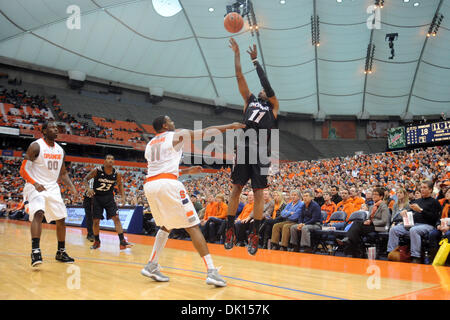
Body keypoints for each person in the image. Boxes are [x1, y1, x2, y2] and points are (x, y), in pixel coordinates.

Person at [141, 115, 244, 287]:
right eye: (170, 120)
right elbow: (204, 133)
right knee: (193, 226)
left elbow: (161, 169)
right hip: (168, 185)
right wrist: (231, 126)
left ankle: (152, 264)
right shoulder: (176, 134)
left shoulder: (150, 144)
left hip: (151, 185)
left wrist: (187, 171)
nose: (173, 121)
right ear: (165, 125)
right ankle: (211, 271)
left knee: (166, 226)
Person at [224, 38, 280, 256]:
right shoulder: (249, 100)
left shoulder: (273, 107)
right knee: (236, 189)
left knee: (259, 193)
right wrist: (237, 54)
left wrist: (255, 61)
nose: (262, 90)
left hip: (262, 153)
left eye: (265, 90)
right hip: (244, 147)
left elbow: (268, 85)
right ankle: (229, 228)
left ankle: (254, 233)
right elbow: (239, 76)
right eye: (261, 90)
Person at [20, 121, 77, 267]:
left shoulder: (60, 150)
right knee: (38, 212)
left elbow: (63, 173)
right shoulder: (36, 146)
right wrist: (34, 183)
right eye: (52, 127)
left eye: (57, 128)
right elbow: (23, 170)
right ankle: (35, 251)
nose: (55, 129)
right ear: (44, 131)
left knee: (61, 218)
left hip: (52, 187)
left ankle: (61, 251)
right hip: (34, 185)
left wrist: (72, 188)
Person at [82, 154, 133, 250]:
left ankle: (122, 242)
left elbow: (120, 185)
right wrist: (88, 188)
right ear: (104, 161)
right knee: (96, 221)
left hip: (109, 198)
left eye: (112, 159)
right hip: (97, 198)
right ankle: (97, 241)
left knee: (116, 218)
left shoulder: (116, 173)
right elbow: (85, 179)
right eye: (108, 158)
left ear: (114, 162)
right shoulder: (97, 170)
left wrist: (123, 197)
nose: (110, 160)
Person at [387, 181, 442, 264]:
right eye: (421, 187)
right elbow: (410, 212)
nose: (422, 189)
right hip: (413, 224)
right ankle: (391, 253)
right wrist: (404, 212)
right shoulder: (417, 201)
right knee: (394, 229)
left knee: (414, 230)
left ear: (430, 190)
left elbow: (434, 218)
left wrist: (421, 210)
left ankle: (416, 256)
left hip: (428, 225)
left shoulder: (434, 202)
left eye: (425, 187)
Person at [338, 187, 390, 258]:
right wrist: (368, 221)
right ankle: (356, 248)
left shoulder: (384, 206)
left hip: (381, 227)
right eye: (373, 194)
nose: (374, 196)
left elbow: (384, 221)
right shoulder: (372, 206)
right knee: (356, 224)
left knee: (357, 226)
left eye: (376, 194)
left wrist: (371, 222)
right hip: (372, 226)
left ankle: (352, 244)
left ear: (381, 196)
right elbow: (369, 218)